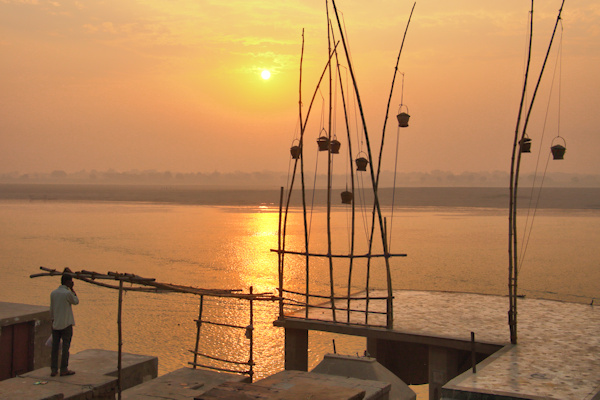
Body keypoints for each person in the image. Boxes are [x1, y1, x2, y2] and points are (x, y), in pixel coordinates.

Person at [49, 270, 79, 377]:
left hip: (56, 324)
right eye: (71, 282)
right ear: (67, 282)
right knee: (65, 347)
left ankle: (53, 369)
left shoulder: (53, 293)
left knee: (55, 348)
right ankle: (63, 369)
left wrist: (52, 321)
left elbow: (51, 309)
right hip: (66, 324)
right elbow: (76, 301)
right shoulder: (67, 293)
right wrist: (72, 289)